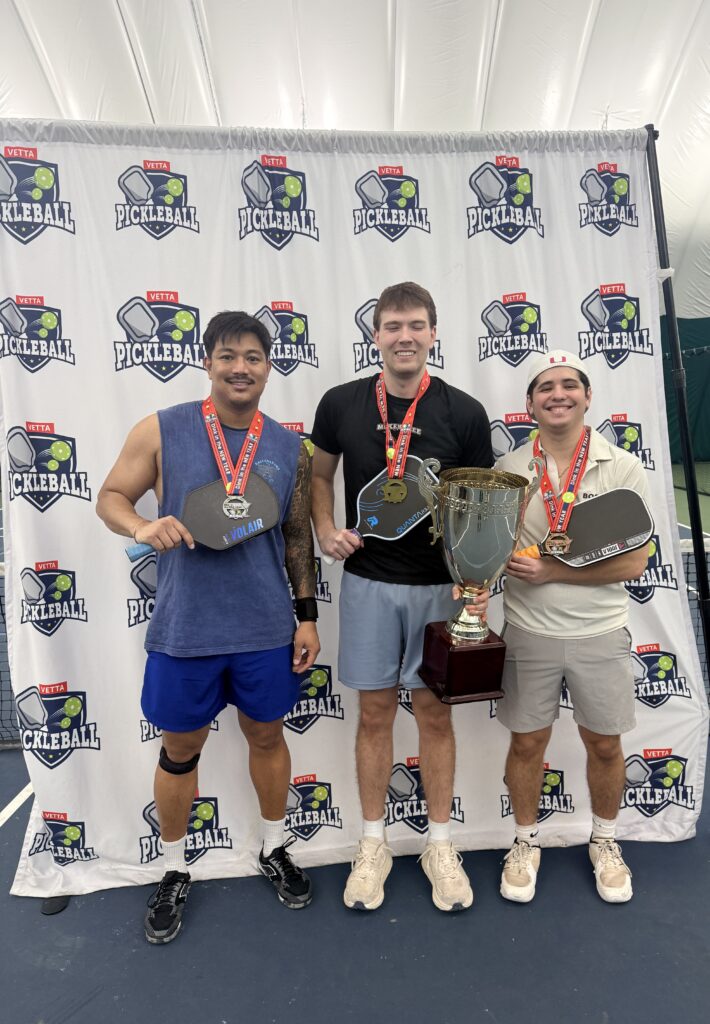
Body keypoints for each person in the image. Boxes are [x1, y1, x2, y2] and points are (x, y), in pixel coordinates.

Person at [96, 311, 320, 944]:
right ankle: (173, 867)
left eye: (253, 356)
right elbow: (111, 496)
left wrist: (306, 616)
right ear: (208, 362)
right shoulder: (163, 428)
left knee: (267, 738)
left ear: (269, 365)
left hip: (265, 629)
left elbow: (297, 536)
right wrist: (141, 526)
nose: (240, 367)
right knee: (179, 749)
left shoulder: (287, 446)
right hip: (186, 628)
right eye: (228, 356)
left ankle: (274, 848)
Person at [310, 282, 493, 912]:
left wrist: (477, 585)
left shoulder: (465, 413)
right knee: (375, 716)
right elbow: (319, 471)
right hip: (366, 584)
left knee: (436, 716)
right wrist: (324, 529)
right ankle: (372, 843)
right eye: (392, 326)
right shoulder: (340, 403)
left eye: (416, 325)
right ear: (376, 335)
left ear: (434, 334)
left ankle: (440, 843)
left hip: (440, 587)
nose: (404, 336)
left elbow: (483, 507)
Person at [494, 349, 649, 904]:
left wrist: (553, 570)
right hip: (528, 631)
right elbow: (491, 551)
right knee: (527, 742)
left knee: (605, 745)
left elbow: (634, 562)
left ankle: (605, 841)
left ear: (587, 397)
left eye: (568, 385)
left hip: (600, 631)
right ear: (529, 404)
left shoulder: (621, 465)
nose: (557, 394)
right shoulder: (509, 471)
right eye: (545, 387)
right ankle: (524, 841)